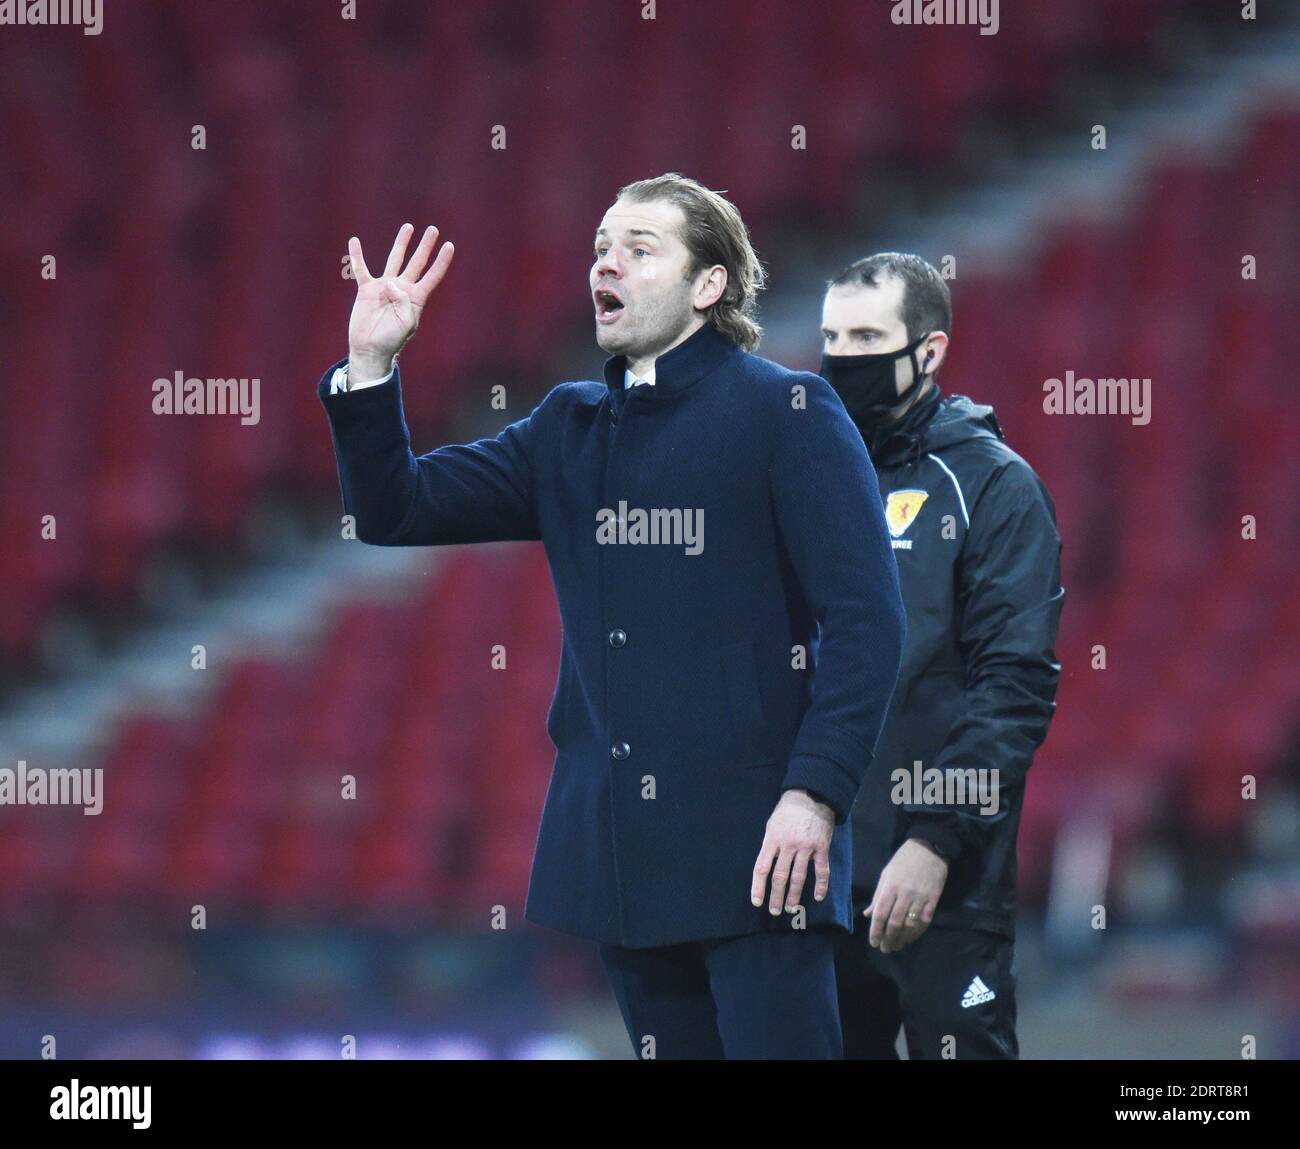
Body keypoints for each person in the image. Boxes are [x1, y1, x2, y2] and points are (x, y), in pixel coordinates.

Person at [318, 174, 905, 1059]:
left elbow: (868, 622)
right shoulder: (569, 426)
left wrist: (815, 792)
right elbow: (394, 509)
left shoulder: (787, 411)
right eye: (600, 247)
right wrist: (371, 367)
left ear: (708, 286)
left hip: (763, 848)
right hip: (625, 860)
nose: (607, 262)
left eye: (639, 247)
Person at [818, 253, 1064, 1059]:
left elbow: (1013, 690)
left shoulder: (995, 486)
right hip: (814, 875)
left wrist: (933, 840)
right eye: (831, 336)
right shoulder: (810, 478)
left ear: (930, 350)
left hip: (945, 883)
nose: (844, 356)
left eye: (867, 335)